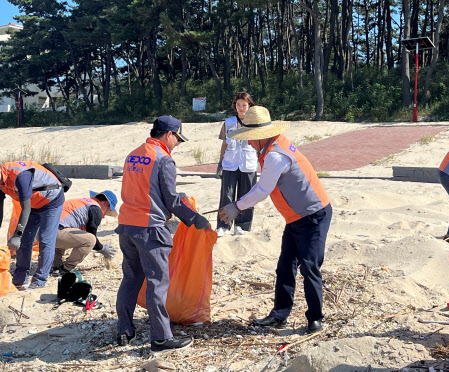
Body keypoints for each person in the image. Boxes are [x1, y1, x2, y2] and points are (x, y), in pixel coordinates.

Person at [219, 106, 332, 334]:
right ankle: (280, 315)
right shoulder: (272, 144)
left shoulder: (274, 154)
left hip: (312, 215)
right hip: (295, 217)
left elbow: (263, 189)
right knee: (285, 267)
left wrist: (235, 207)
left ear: (261, 136)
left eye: (250, 139)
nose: (249, 143)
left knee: (309, 267)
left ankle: (315, 319)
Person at [115, 115, 211, 353]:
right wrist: (194, 218)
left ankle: (124, 331)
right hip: (150, 229)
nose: (177, 144)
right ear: (169, 135)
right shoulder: (164, 160)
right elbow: (170, 199)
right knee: (157, 283)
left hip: (127, 226)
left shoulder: (134, 154)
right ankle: (161, 338)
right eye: (177, 139)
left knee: (131, 279)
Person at [0, 161, 64, 290]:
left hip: (51, 201)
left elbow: (26, 209)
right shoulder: (1, 181)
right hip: (33, 203)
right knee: (25, 240)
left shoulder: (20, 176)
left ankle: (39, 280)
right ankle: (20, 278)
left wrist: (17, 234)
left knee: (45, 239)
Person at [215, 92, 258, 237]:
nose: (241, 108)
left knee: (246, 196)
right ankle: (223, 225)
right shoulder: (228, 123)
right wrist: (220, 163)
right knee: (226, 195)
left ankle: (242, 225)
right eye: (238, 105)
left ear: (250, 105)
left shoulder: (256, 122)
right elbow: (224, 144)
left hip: (248, 164)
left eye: (244, 105)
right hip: (230, 164)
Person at [51, 190, 119, 276]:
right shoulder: (96, 209)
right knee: (90, 240)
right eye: (108, 210)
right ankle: (66, 268)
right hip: (56, 234)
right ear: (106, 203)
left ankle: (56, 266)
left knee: (68, 233)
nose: (104, 214)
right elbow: (91, 237)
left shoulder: (83, 202)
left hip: (43, 232)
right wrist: (103, 249)